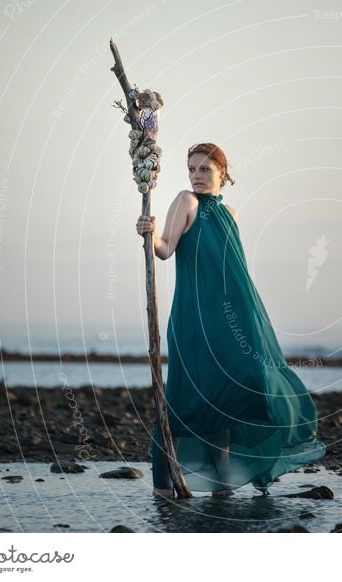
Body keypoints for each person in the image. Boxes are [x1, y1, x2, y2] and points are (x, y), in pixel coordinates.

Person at [135, 143, 326, 498]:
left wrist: (251, 321)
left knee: (237, 392)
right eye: (192, 169)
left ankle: (223, 486)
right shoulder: (186, 201)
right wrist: (150, 232)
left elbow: (236, 273)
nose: (196, 176)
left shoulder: (231, 214)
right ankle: (163, 490)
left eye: (205, 170)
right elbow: (165, 249)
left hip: (232, 320)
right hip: (195, 321)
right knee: (185, 401)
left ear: (223, 173)